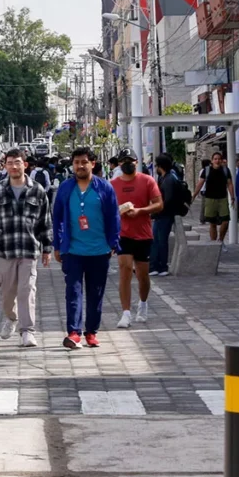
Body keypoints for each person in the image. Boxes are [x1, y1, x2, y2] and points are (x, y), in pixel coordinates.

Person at [0, 148, 53, 348]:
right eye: (10, 162)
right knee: (7, 293)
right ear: (5, 165)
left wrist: (47, 247)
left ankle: (27, 331)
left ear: (25, 164)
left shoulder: (37, 190)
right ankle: (11, 317)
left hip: (30, 250)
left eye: (17, 162)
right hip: (6, 249)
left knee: (26, 290)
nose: (13, 166)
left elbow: (45, 221)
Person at [52, 147, 121, 350]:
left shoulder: (104, 188)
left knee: (95, 293)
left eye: (84, 162)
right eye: (76, 162)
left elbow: (113, 217)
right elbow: (57, 218)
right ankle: (74, 333)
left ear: (92, 163)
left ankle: (91, 332)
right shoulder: (66, 188)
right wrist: (57, 245)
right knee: (72, 292)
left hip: (99, 251)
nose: (80, 166)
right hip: (72, 250)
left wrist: (113, 244)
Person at [110, 148, 163, 328]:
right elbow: (107, 210)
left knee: (142, 275)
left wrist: (140, 211)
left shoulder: (147, 181)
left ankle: (143, 303)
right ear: (119, 164)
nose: (127, 164)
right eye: (123, 161)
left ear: (136, 162)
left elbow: (158, 204)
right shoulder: (113, 184)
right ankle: (125, 313)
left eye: (130, 160)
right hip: (122, 234)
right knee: (124, 269)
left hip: (143, 233)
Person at [193, 152, 234, 248]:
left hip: (222, 198)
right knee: (212, 223)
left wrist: (232, 196)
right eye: (215, 159)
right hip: (210, 199)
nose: (217, 160)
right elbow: (200, 183)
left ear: (222, 160)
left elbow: (229, 184)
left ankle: (220, 240)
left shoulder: (225, 170)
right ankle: (213, 243)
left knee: (225, 221)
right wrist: (194, 195)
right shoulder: (207, 170)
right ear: (212, 161)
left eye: (219, 159)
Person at [150, 154, 182, 276]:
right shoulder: (164, 178)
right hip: (160, 215)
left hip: (164, 215)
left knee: (161, 241)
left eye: (157, 165)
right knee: (156, 240)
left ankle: (162, 266)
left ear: (160, 166)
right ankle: (155, 266)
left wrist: (156, 210)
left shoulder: (168, 180)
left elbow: (167, 200)